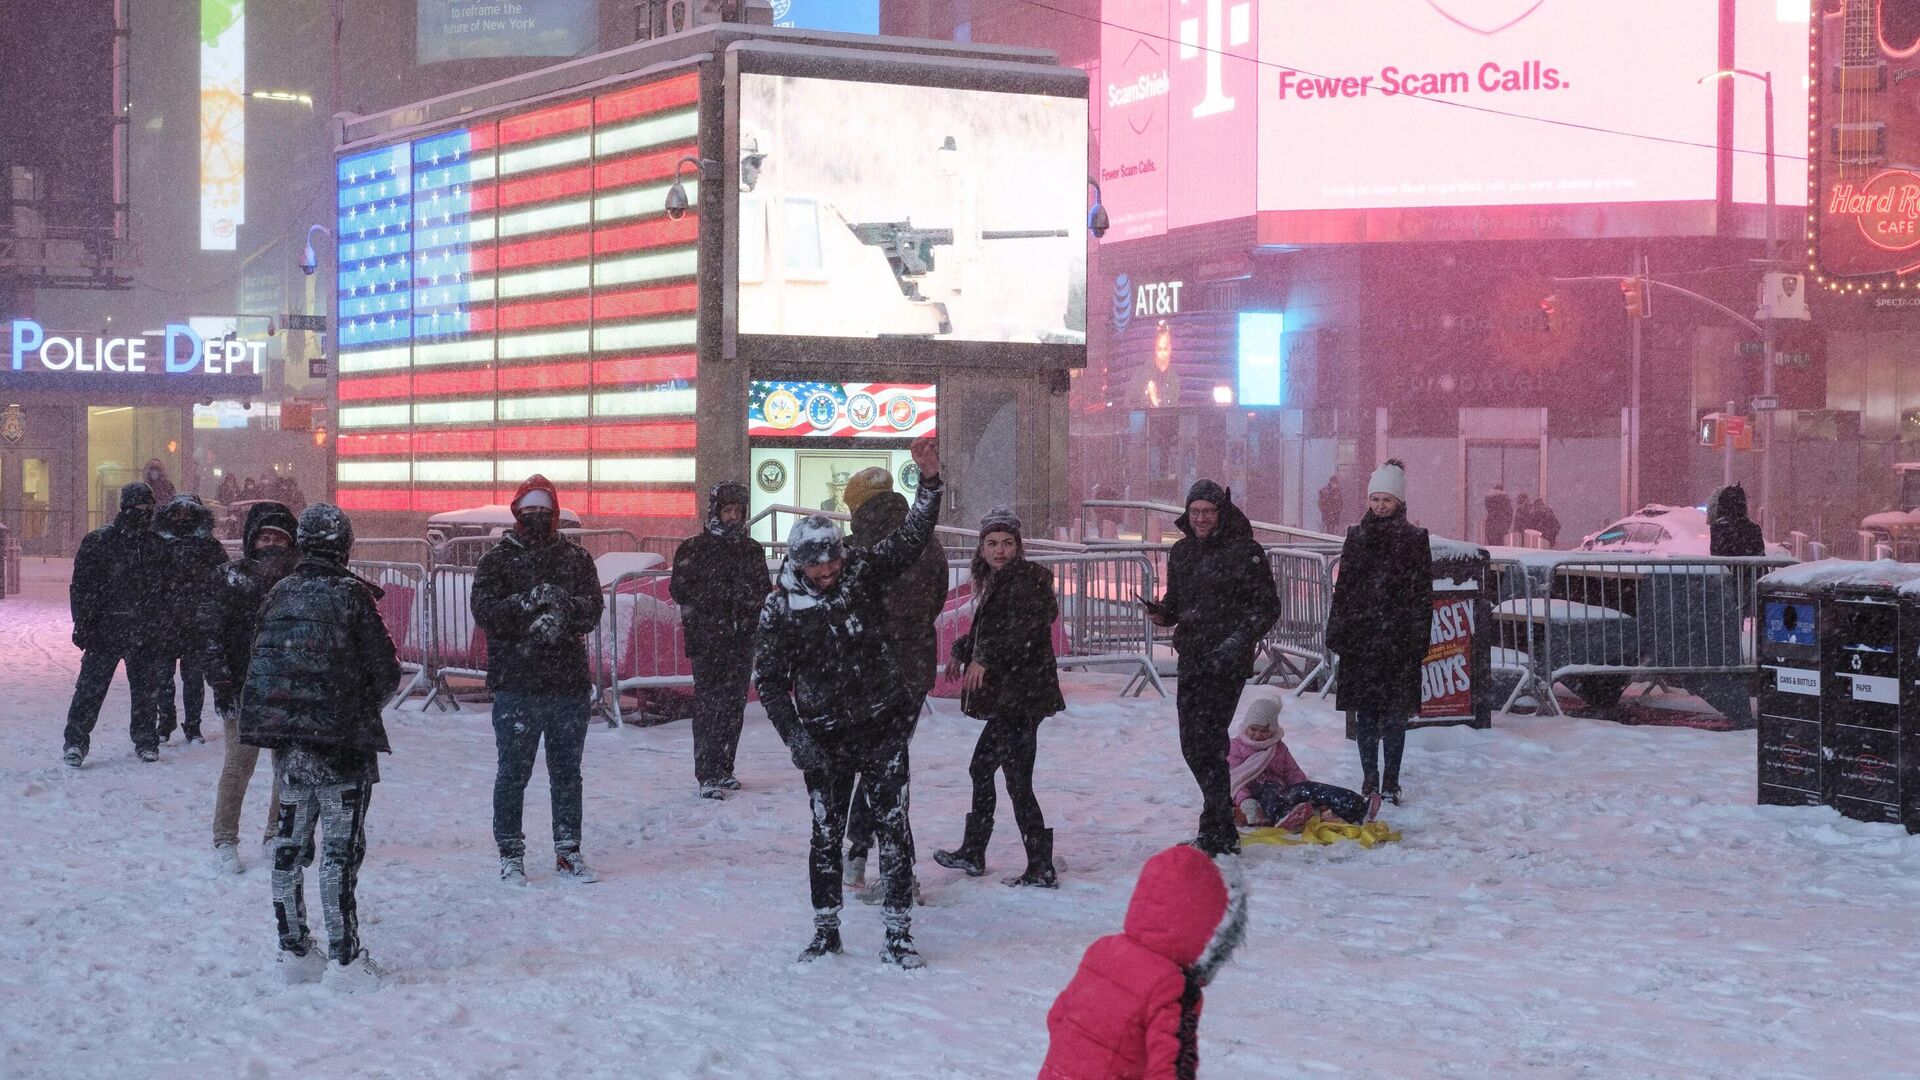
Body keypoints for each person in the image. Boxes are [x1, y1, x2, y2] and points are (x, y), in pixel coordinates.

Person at [753, 436, 942, 968]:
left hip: (881, 721)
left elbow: (909, 541)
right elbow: (768, 682)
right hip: (823, 736)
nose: (829, 572)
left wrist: (929, 485)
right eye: (819, 568)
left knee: (893, 827)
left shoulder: (860, 570)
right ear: (798, 563)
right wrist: (796, 739)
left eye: (834, 562)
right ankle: (826, 928)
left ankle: (899, 931)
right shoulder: (781, 609)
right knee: (825, 833)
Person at [240, 504, 401, 991]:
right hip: (342, 745)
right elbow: (386, 671)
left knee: (288, 848)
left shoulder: (278, 594)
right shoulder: (351, 597)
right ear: (344, 545)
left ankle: (293, 951)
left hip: (290, 745)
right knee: (339, 852)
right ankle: (345, 960)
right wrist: (350, 703)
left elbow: (262, 663)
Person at [471, 476, 607, 884]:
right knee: (513, 772)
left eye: (543, 512)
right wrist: (526, 607)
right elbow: (486, 612)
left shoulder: (576, 559)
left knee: (567, 773)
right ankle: (510, 852)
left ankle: (568, 850)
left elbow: (593, 608)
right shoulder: (497, 561)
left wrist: (563, 610)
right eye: (529, 511)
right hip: (517, 683)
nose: (536, 518)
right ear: (517, 513)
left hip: (566, 684)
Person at [1145, 480, 1280, 856]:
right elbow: (1178, 602)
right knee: (1193, 745)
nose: (1202, 518)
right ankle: (1219, 823)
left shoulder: (1245, 551)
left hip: (1227, 659)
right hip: (1192, 655)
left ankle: (1217, 827)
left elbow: (1267, 606)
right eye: (1195, 512)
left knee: (1208, 741)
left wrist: (1238, 639)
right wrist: (1163, 613)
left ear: (1221, 513)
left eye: (1208, 511)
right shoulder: (1183, 552)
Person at [932, 507, 1065, 887]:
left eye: (1007, 543)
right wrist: (962, 651)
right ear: (982, 548)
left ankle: (1040, 865)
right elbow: (987, 628)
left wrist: (984, 659)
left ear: (1019, 547)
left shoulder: (1025, 581)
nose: (1000, 550)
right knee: (983, 769)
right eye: (992, 543)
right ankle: (974, 852)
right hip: (1013, 697)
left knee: (1018, 781)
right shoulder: (999, 580)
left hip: (1023, 697)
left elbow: (1019, 633)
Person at [1038, 844, 1248, 1080]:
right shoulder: (1174, 987)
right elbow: (1172, 1069)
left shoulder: (1104, 950)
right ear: (1208, 931)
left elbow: (1058, 1016)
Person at [841, 466, 947, 890]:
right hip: (914, 664)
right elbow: (935, 600)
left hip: (870, 668)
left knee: (878, 767)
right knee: (890, 765)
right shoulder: (926, 542)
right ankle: (869, 854)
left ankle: (869, 856)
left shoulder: (859, 547)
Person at [199, 500, 300, 874]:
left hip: (287, 687)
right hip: (242, 686)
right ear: (251, 540)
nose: (270, 544)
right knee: (238, 766)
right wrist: (221, 681)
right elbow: (209, 633)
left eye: (278, 538)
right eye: (264, 537)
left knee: (286, 767)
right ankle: (225, 838)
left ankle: (276, 832)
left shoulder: (297, 584)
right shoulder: (229, 578)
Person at [1325, 460, 1432, 805]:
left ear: (1399, 501)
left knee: (1395, 716)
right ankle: (1370, 778)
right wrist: (1338, 628)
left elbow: (1421, 593)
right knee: (1367, 715)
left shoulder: (1415, 539)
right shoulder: (1356, 536)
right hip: (1362, 638)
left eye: (1387, 499)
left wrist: (1418, 636)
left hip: (1397, 640)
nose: (1380, 506)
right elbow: (1345, 587)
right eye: (1375, 499)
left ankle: (1391, 781)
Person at [669, 481, 771, 799]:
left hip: (740, 640)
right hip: (708, 641)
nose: (733, 517)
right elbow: (679, 589)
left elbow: (762, 591)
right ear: (715, 511)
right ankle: (707, 772)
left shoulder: (751, 550)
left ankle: (725, 767)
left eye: (738, 511)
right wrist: (714, 598)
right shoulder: (693, 548)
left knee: (733, 706)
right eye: (727, 510)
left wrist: (745, 603)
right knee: (709, 707)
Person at [61, 482, 168, 767]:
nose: (143, 514)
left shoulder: (154, 545)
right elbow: (82, 586)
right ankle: (76, 741)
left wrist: (162, 625)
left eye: (148, 509)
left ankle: (146, 740)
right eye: (138, 508)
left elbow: (165, 591)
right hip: (106, 628)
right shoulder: (101, 541)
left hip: (143, 630)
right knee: (90, 689)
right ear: (125, 508)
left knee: (145, 692)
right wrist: (83, 623)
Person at [1227, 692, 1378, 831]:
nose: (1258, 734)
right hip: (1255, 796)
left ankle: (1358, 807)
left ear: (1272, 730)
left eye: (1264, 730)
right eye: (1254, 729)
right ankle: (1284, 816)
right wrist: (1245, 800)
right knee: (1269, 790)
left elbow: (1292, 772)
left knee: (1311, 789)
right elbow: (1233, 779)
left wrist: (1305, 789)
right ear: (1246, 726)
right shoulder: (1236, 747)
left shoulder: (1277, 747)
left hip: (1283, 791)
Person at [153, 494, 229, 744]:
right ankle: (166, 722)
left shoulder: (209, 546)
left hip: (196, 622)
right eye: (178, 513)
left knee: (193, 678)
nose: (182, 518)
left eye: (188, 513)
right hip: (166, 620)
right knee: (163, 677)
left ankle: (192, 725)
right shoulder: (159, 544)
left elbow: (222, 581)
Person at [1709, 484, 1765, 557]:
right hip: (1750, 567)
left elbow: (1716, 554)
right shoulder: (1753, 529)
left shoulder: (1717, 528)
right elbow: (1759, 556)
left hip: (1726, 567)